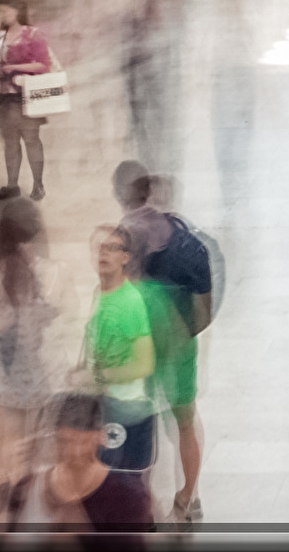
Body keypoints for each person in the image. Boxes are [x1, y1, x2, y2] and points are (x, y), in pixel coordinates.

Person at [111, 164, 212, 527]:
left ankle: (144, 503)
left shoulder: (125, 237)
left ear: (118, 193)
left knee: (142, 422)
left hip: (143, 345)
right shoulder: (181, 233)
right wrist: (185, 334)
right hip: (180, 344)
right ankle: (189, 498)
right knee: (185, 420)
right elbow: (204, 307)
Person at [0, 196, 59, 521]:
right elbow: (27, 329)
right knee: (24, 450)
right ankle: (18, 510)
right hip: (25, 377)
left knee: (3, 443)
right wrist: (46, 314)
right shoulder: (23, 272)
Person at [4, 391, 156, 539]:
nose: (75, 452)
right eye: (66, 441)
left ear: (100, 437)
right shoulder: (25, 488)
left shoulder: (128, 497)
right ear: (54, 438)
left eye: (83, 442)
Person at [83, 224, 159, 475]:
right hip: (103, 403)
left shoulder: (130, 302)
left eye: (112, 248)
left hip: (127, 409)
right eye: (99, 248)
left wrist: (98, 376)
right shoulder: (99, 293)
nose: (103, 254)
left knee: (124, 487)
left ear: (125, 257)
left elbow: (143, 364)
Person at [0, 0, 54, 203]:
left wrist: (16, 68)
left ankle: (38, 184)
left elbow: (44, 64)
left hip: (25, 94)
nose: (2, 16)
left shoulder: (33, 34)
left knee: (31, 139)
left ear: (17, 11)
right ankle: (12, 184)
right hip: (2, 94)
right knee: (10, 142)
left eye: (5, 11)